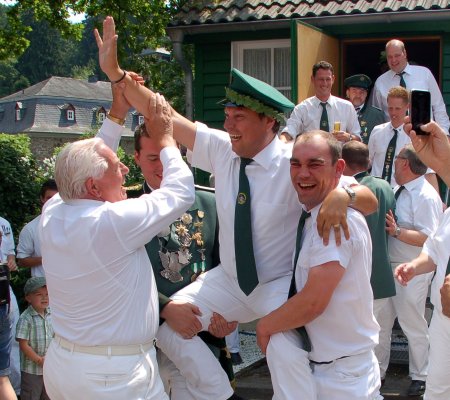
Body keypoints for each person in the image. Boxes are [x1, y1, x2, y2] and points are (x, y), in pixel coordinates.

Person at [95, 16, 378, 400]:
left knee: (282, 346)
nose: (229, 125)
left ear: (267, 121)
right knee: (166, 318)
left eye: (238, 117)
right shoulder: (223, 150)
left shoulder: (293, 161)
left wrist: (343, 196)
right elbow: (164, 116)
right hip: (227, 281)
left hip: (276, 285)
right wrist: (116, 75)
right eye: (227, 116)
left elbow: (370, 199)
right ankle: (222, 394)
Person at [38, 91, 195, 399]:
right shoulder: (111, 223)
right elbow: (181, 192)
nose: (125, 171)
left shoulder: (54, 211)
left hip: (66, 364)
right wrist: (165, 141)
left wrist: (116, 114)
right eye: (116, 167)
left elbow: (83, 166)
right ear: (93, 187)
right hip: (113, 376)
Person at [97, 88, 237, 398]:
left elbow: (225, 265)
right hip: (143, 341)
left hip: (201, 335)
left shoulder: (211, 202)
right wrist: (165, 309)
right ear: (135, 158)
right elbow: (112, 275)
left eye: (165, 155)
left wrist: (228, 316)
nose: (160, 166)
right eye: (151, 157)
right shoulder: (122, 208)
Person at [256, 131, 381, 400]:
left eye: (314, 164)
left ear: (338, 169)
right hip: (327, 368)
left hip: (342, 378)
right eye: (295, 164)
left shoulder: (333, 221)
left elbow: (313, 301)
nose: (303, 174)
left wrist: (265, 326)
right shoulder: (320, 207)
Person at [378, 144, 442, 396]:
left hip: (413, 270)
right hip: (388, 267)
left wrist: (397, 231)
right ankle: (378, 372)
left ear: (405, 163)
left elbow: (429, 237)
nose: (393, 164)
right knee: (381, 323)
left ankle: (421, 375)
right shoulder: (396, 189)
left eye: (396, 160)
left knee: (412, 323)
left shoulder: (426, 195)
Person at [342, 141, 396, 324]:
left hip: (358, 279)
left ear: (342, 162)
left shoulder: (347, 191)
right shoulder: (385, 186)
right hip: (384, 277)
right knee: (381, 337)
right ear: (368, 161)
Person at [371, 39, 450, 132]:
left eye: (397, 55)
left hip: (422, 135)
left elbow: (438, 106)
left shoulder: (424, 74)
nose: (393, 60)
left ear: (404, 53)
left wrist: (444, 133)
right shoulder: (380, 82)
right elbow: (376, 115)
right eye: (390, 57)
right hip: (393, 137)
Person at [368, 86, 438, 189]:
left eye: (397, 109)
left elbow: (428, 171)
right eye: (390, 108)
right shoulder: (377, 131)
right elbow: (368, 161)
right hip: (375, 190)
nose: (393, 113)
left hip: (400, 191)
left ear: (407, 107)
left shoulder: (414, 135)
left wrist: (438, 200)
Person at [281, 61, 361, 143]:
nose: (325, 83)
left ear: (333, 79)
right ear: (312, 79)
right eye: (321, 79)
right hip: (311, 154)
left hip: (338, 155)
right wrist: (281, 142)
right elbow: (290, 130)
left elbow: (358, 138)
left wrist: (348, 137)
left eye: (328, 79)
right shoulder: (302, 108)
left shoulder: (346, 107)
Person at [16, 277, 53, 400]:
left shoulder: (52, 314)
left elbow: (56, 338)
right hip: (31, 370)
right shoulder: (26, 318)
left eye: (47, 294)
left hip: (49, 367)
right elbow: (23, 345)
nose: (45, 297)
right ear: (28, 298)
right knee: (32, 395)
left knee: (49, 395)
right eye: (39, 294)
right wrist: (38, 360)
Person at [17, 180, 58, 277]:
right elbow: (22, 261)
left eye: (57, 198)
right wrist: (46, 259)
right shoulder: (30, 228)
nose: (53, 202)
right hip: (43, 287)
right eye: (49, 198)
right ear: (42, 199)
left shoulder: (74, 225)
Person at [0, 216, 18, 400]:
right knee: (2, 377)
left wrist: (11, 261)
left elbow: (10, 255)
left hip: (4, 297)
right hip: (3, 300)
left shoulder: (4, 222)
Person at [344, 74, 386, 144]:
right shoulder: (340, 110)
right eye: (354, 91)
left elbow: (381, 141)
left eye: (362, 92)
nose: (358, 95)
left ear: (366, 94)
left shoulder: (376, 114)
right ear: (348, 93)